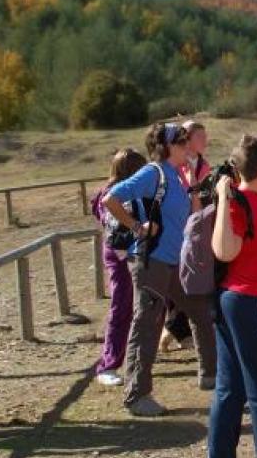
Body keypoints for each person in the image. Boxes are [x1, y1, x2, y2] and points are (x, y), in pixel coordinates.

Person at [103, 122, 216, 417]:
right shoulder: (152, 172)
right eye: (180, 142)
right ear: (165, 147)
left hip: (174, 261)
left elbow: (193, 216)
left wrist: (192, 183)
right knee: (148, 325)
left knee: (202, 311)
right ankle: (136, 396)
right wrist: (137, 227)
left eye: (186, 141)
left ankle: (211, 376)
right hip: (151, 261)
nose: (187, 146)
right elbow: (110, 198)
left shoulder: (175, 176)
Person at [208, 133, 257, 458]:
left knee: (231, 389)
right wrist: (224, 198)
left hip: (242, 301)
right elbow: (224, 250)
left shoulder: (256, 201)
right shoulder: (240, 203)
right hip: (255, 302)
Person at [91, 148, 148, 386]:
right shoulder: (112, 194)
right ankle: (109, 363)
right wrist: (138, 227)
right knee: (121, 306)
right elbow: (114, 227)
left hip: (138, 253)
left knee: (146, 306)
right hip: (121, 255)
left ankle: (140, 355)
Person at [159, 120, 210, 353]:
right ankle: (174, 329)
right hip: (177, 229)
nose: (205, 141)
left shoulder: (204, 164)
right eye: (200, 137)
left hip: (197, 227)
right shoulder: (174, 166)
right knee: (179, 281)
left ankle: (174, 329)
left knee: (190, 279)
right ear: (187, 140)